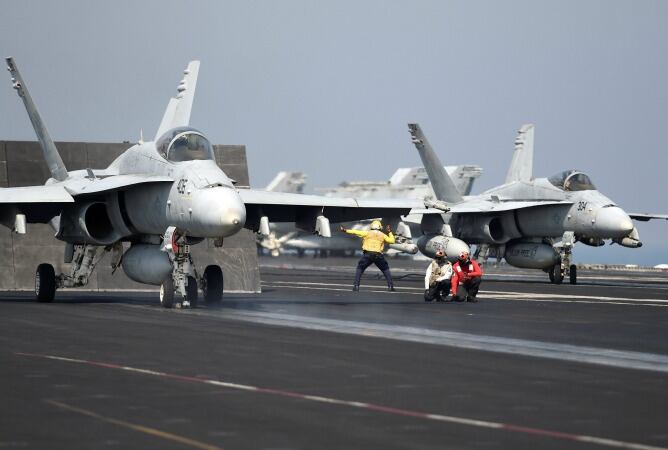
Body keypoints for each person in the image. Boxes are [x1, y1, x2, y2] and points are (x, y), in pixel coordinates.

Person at [340, 220, 396, 291]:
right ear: (380, 227)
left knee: (360, 269)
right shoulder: (383, 235)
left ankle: (356, 286)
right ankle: (390, 287)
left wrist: (345, 230)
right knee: (385, 270)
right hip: (378, 255)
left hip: (368, 254)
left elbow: (355, 232)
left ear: (371, 226)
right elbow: (392, 241)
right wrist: (389, 232)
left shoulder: (367, 233)